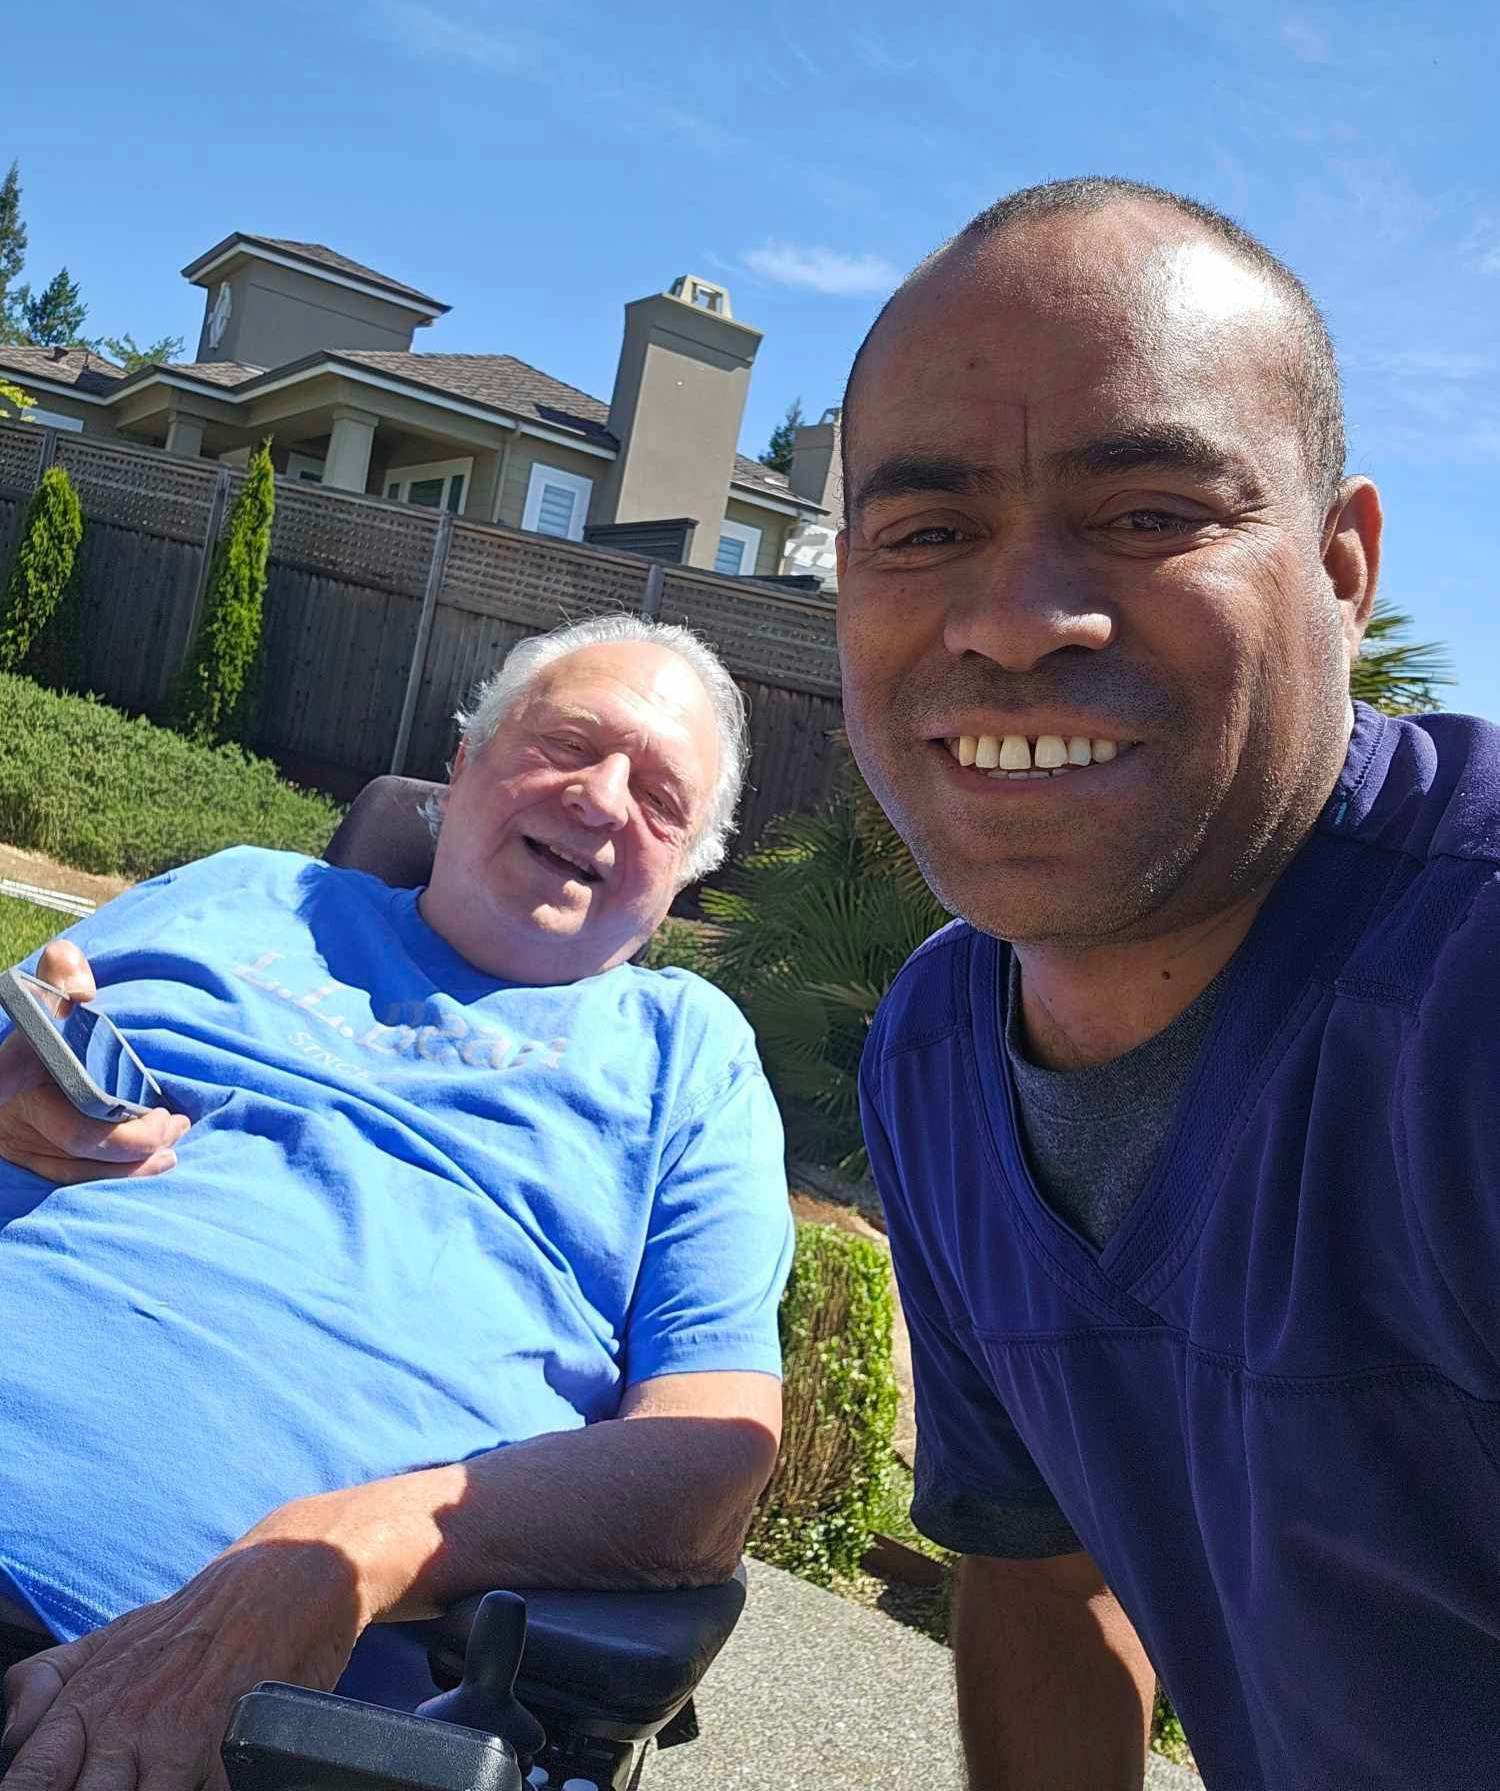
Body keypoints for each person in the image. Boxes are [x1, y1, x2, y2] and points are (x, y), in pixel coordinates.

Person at [837, 176, 1500, 1791]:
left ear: (1344, 568)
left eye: (1149, 515)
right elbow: (1045, 1581)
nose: (1014, 621)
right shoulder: (940, 1051)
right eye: (926, 534)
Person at [0, 613, 793, 1791]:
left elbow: (710, 1457)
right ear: (463, 759)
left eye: (662, 798)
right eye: (569, 740)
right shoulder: (236, 891)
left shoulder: (687, 1057)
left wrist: (343, 1549)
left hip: (176, 1688)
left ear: (680, 875)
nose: (602, 797)